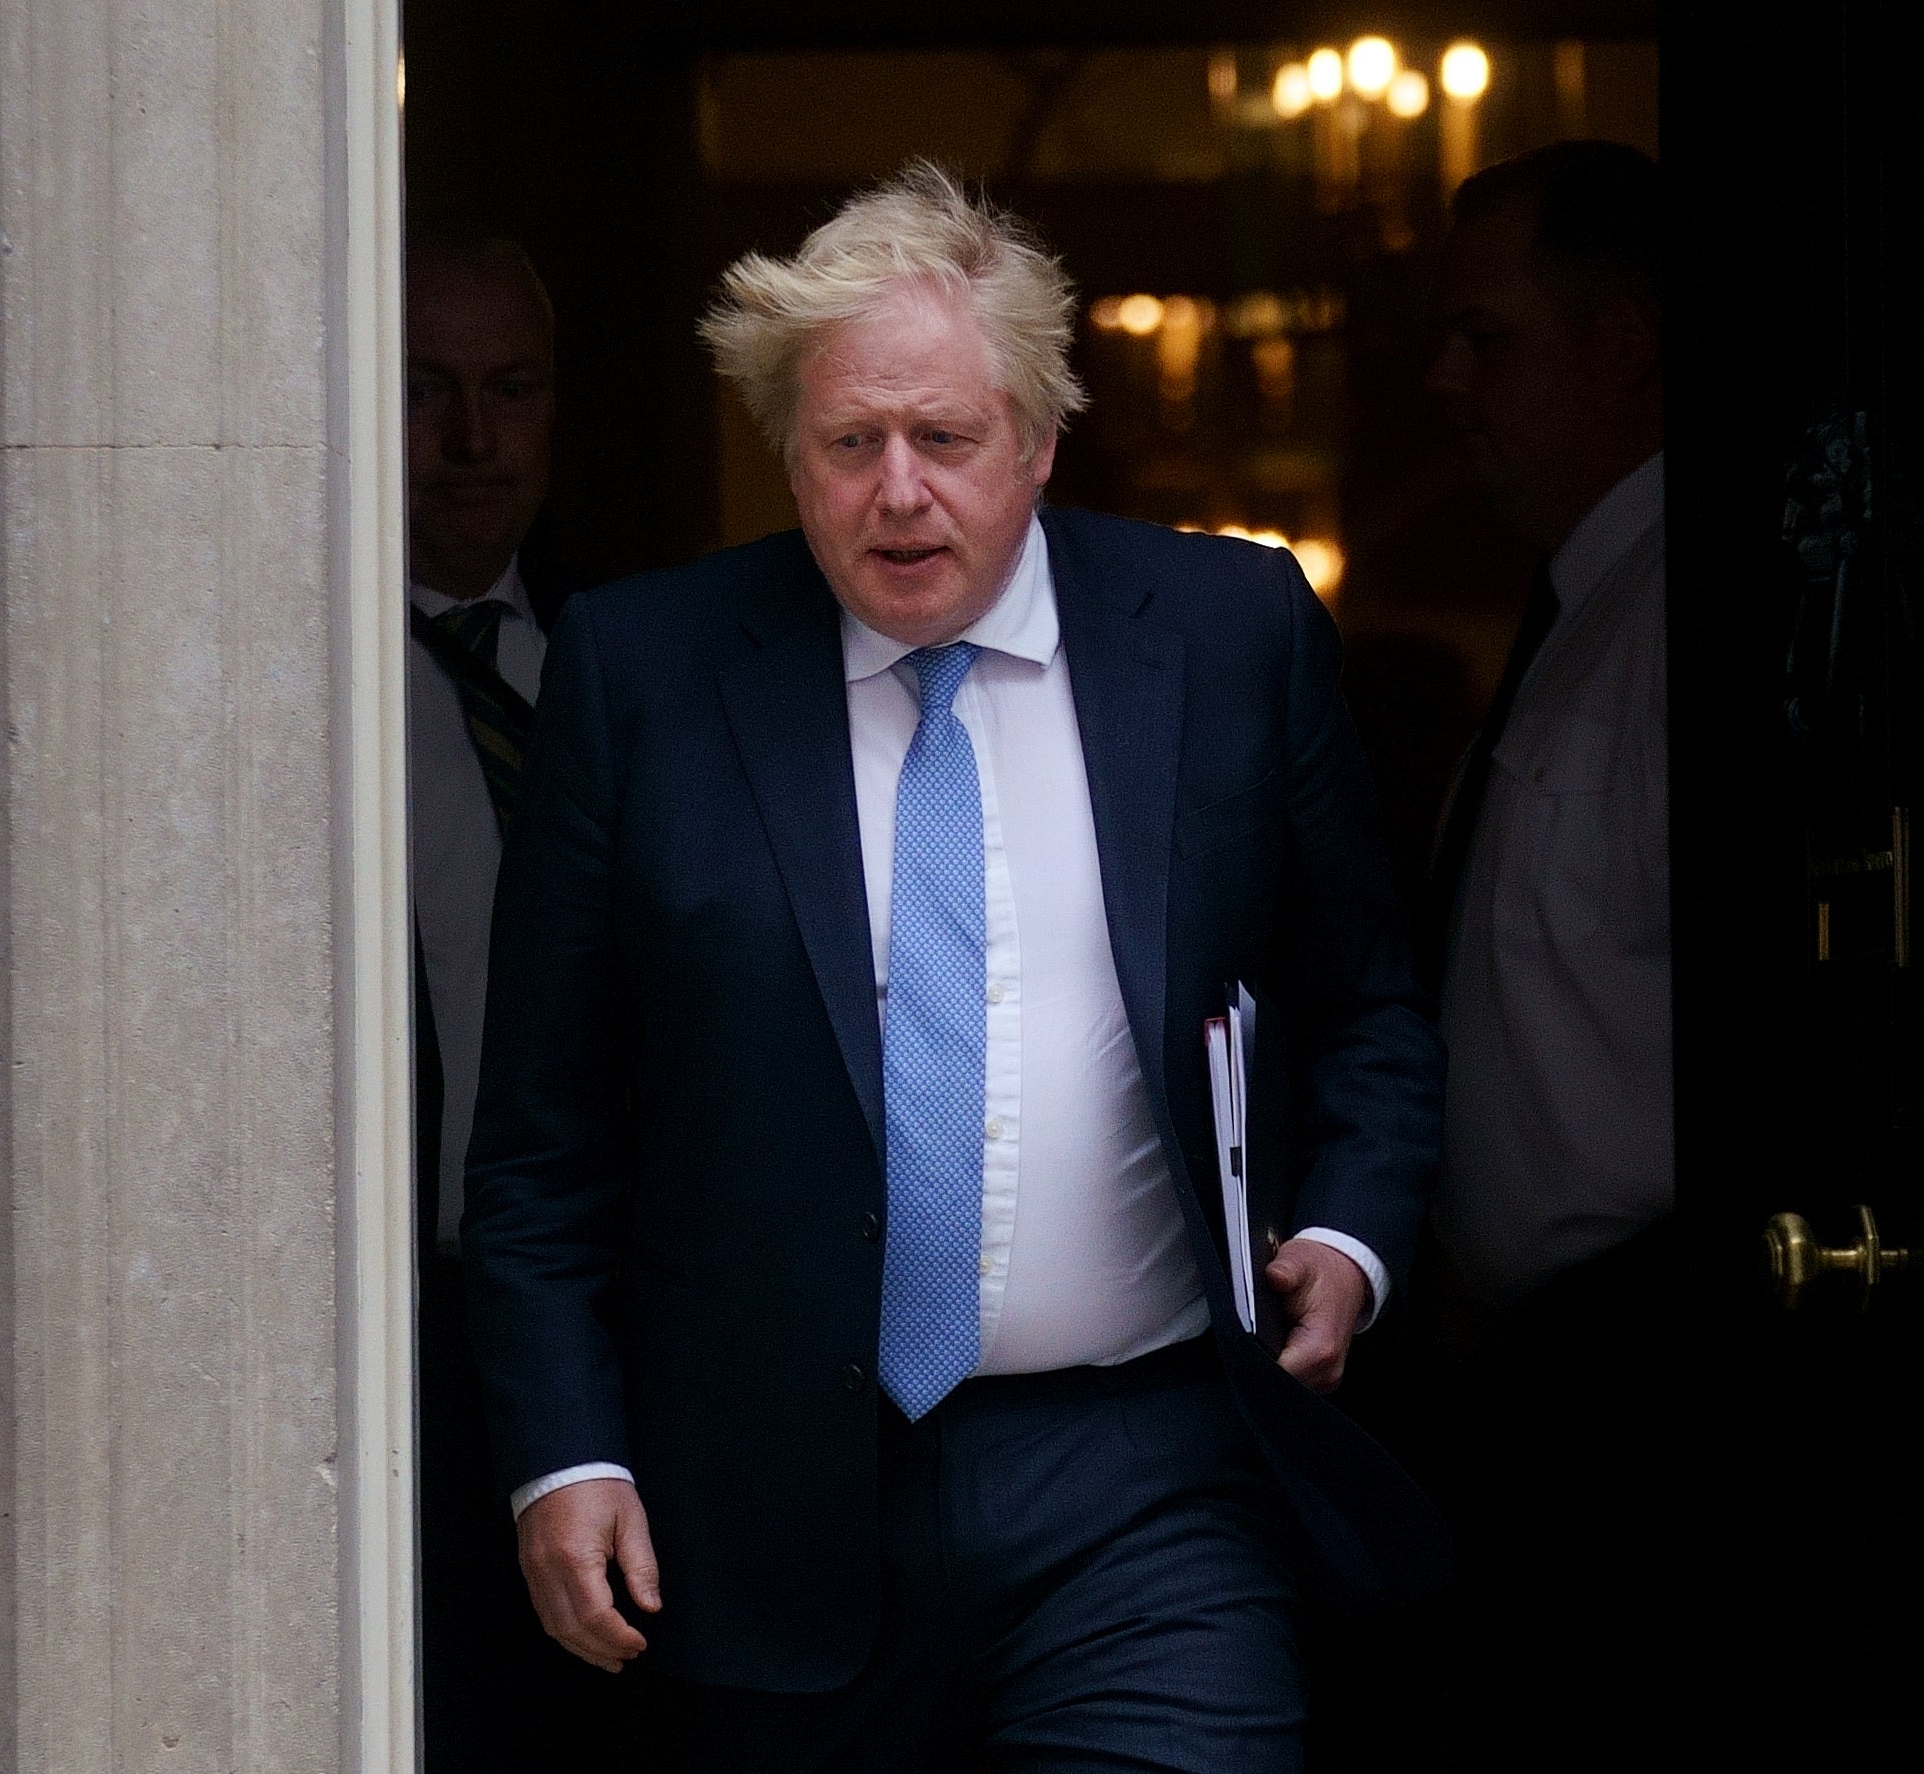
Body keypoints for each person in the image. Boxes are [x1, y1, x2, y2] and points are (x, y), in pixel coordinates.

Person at [462, 164, 1446, 1769]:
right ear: (792, 451)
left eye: (945, 439)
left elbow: (1370, 1004)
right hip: (761, 1498)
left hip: (1146, 1480)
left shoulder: (1224, 628)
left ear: (1040, 442)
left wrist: (1348, 1228)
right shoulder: (644, 675)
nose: (897, 492)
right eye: (849, 444)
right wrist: (564, 1454)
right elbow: (543, 1142)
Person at [1413, 140, 1671, 1760]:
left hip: (1639, 1376)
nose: (1446, 384)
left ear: (1625, 339)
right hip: (1524, 1384)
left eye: (1488, 337)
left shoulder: (1668, 625)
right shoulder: (1583, 611)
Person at [404, 229, 624, 1768]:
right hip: (387, 1331)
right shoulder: (286, 682)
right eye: (425, 389)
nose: (473, 439)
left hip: (612, 1334)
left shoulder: (627, 679)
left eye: (510, 388)